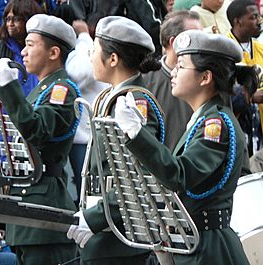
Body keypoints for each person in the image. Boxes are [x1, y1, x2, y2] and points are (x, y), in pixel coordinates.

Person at [114, 29, 254, 265]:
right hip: (193, 242)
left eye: (181, 66)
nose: (173, 72)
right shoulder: (202, 119)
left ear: (205, 77)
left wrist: (138, 134)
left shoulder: (215, 124)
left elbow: (180, 175)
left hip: (209, 249)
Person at [67, 16, 162, 265]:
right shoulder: (111, 97)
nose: (90, 57)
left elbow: (139, 178)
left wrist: (96, 217)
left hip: (121, 241)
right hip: (106, 235)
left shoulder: (134, 104)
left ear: (113, 59)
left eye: (94, 51)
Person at [0, 14, 79, 265]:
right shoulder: (43, 90)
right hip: (27, 208)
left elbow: (37, 130)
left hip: (44, 205)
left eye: (30, 45)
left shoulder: (63, 90)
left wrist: (9, 88)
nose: (23, 52)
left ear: (53, 53)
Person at [143, 10, 202, 151]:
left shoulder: (207, 80)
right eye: (195, 38)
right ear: (174, 42)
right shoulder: (146, 83)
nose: (202, 44)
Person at [65, 19, 109, 205]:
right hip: (83, 140)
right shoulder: (84, 52)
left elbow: (78, 72)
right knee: (85, 195)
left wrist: (83, 37)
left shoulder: (89, 50)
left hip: (93, 138)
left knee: (95, 196)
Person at [0, 0, 43, 97]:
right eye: (8, 19)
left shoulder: (42, 49)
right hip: (4, 110)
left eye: (17, 19)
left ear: (30, 20)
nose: (10, 24)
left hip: (36, 109)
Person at [227, 0, 263, 156]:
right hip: (239, 128)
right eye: (254, 17)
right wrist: (250, 96)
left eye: (259, 16)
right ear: (238, 21)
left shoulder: (260, 48)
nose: (259, 21)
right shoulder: (224, 49)